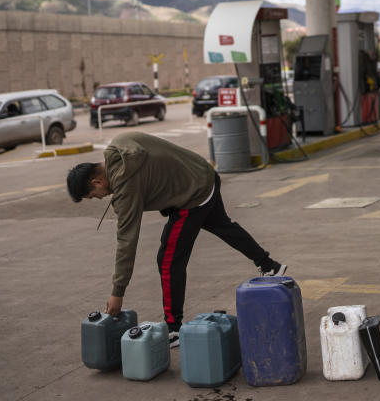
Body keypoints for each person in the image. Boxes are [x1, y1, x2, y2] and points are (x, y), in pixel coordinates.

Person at [66, 132, 286, 347]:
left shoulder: (125, 188)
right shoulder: (120, 143)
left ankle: (173, 329)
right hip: (203, 174)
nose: (100, 198)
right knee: (223, 226)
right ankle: (270, 266)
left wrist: (117, 292)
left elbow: (126, 240)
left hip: (191, 197)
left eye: (94, 195)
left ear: (96, 181)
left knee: (168, 261)